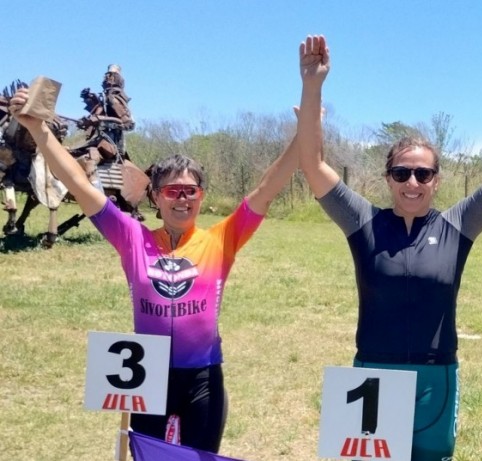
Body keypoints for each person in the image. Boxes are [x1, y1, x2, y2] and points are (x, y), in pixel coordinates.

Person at [9, 62, 302, 453]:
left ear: (201, 197)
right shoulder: (132, 237)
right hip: (145, 375)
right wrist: (37, 129)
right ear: (155, 197)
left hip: (203, 378)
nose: (182, 199)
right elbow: (78, 183)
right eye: (171, 191)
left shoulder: (221, 239)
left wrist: (305, 132)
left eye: (190, 191)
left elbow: (267, 188)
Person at [295, 35, 482, 460]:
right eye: (402, 173)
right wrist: (312, 85)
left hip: (436, 378)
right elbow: (313, 165)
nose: (412, 183)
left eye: (424, 174)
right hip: (373, 373)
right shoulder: (363, 223)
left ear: (437, 180)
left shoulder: (457, 226)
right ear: (388, 178)